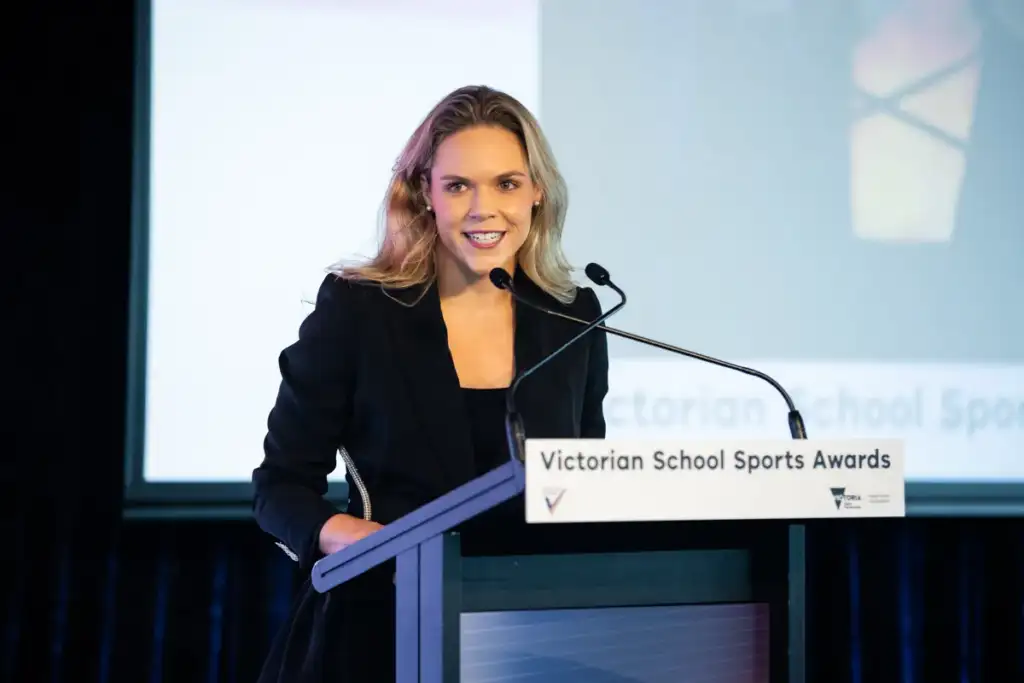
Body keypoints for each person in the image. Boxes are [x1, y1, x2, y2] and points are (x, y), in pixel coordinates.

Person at [251, 85, 609, 682]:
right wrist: (369, 543)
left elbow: (584, 485)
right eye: (457, 185)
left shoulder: (573, 317)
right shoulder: (360, 311)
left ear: (538, 193)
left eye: (507, 183)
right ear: (425, 194)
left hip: (533, 640)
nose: (482, 209)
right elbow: (280, 489)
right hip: (377, 631)